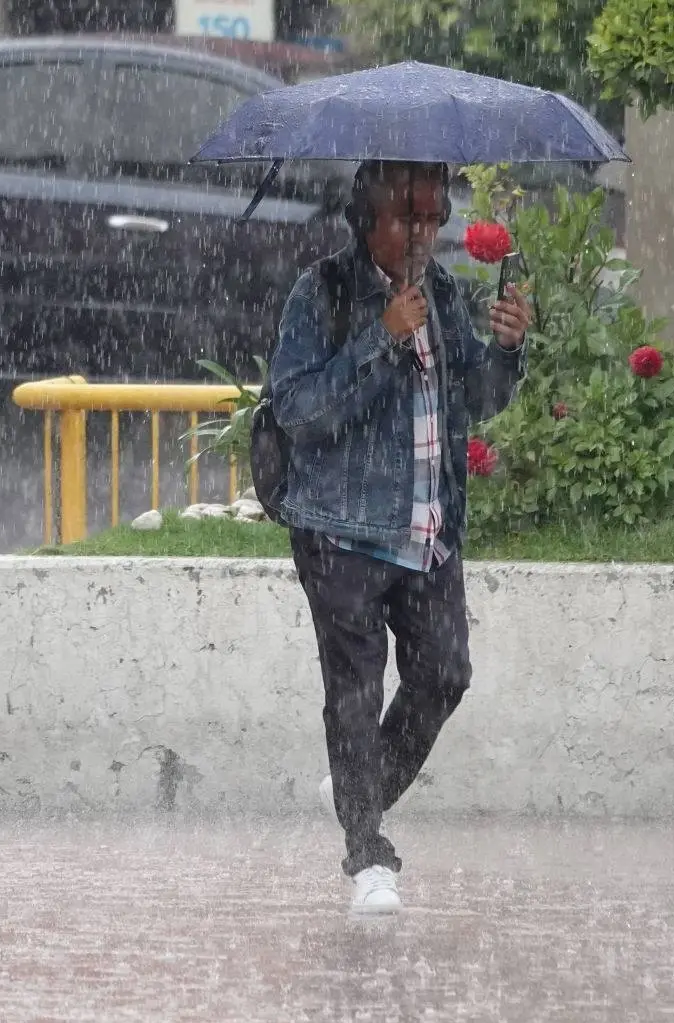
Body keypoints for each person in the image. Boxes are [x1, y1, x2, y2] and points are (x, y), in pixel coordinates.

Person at [266, 159, 533, 915]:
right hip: (341, 534)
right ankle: (367, 853)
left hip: (428, 532)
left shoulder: (442, 294)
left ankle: (361, 789)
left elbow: (476, 400)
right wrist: (380, 339)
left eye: (433, 216)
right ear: (366, 219)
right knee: (354, 695)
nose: (423, 233)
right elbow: (298, 410)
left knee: (445, 674)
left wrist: (508, 349)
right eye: (407, 216)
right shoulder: (320, 293)